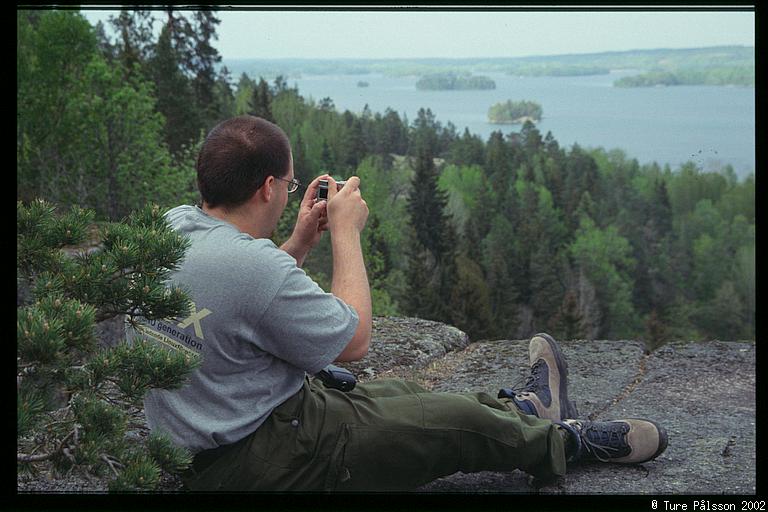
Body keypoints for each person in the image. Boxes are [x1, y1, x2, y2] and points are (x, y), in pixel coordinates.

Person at [133, 115, 668, 492]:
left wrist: (298, 244)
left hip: (217, 435)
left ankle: (528, 411)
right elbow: (354, 340)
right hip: (258, 458)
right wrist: (347, 233)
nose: (290, 194)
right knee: (452, 420)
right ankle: (566, 444)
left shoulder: (172, 228)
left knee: (405, 394)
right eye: (291, 186)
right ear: (268, 187)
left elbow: (239, 299)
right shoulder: (252, 266)